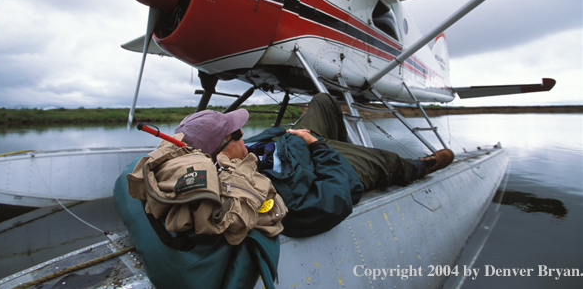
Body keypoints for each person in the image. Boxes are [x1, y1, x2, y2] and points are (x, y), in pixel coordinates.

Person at [175, 93, 454, 237]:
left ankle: (341, 145)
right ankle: (422, 166)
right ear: (220, 156)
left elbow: (266, 139)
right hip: (327, 164)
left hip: (297, 143)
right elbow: (335, 199)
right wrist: (319, 148)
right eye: (236, 135)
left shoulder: (235, 156)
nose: (243, 134)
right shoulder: (260, 192)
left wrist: (296, 135)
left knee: (323, 101)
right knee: (386, 162)